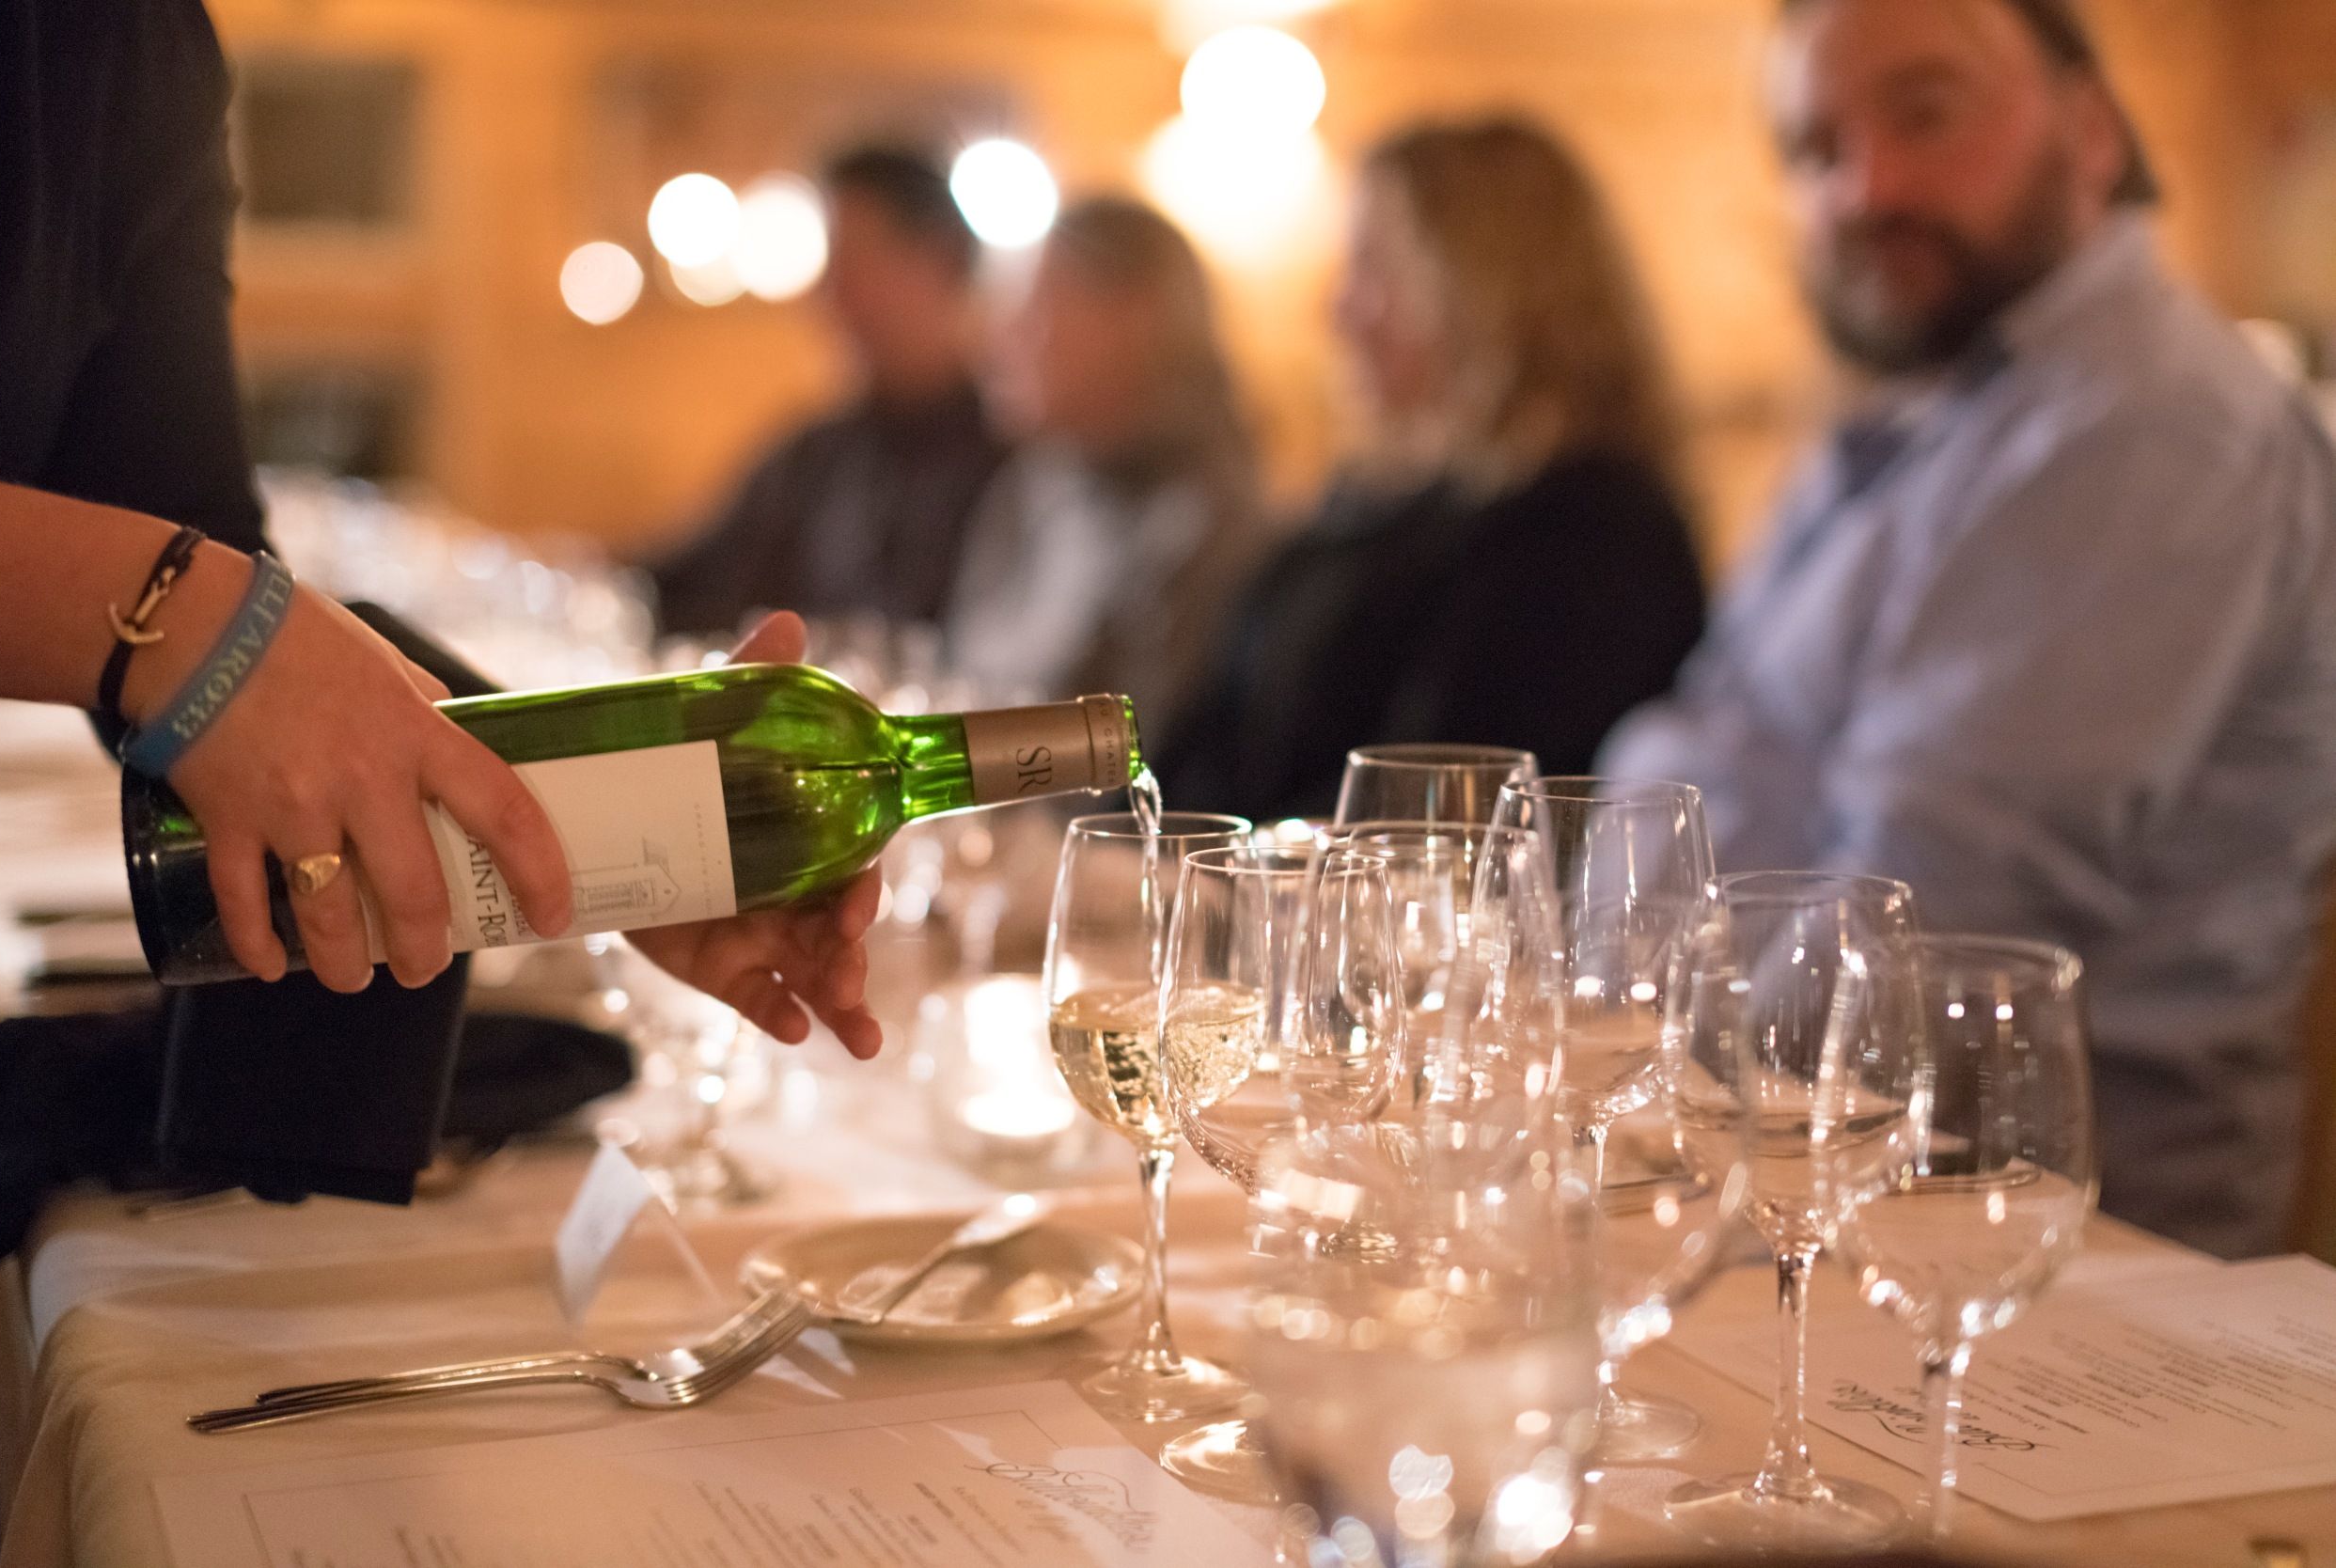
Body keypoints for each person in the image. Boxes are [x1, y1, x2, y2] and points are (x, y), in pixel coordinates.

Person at [0, 0, 878, 1058]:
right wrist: (191, 616)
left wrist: (591, 827)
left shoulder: (139, 45)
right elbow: (183, 609)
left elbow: (186, 545)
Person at [1601, 0, 2336, 1256]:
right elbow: (1705, 750)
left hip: (2030, 1251)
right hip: (1781, 1177)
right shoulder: (1926, 419)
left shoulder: (2143, 426)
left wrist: (1603, 1134)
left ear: (2092, 130)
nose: (1867, 184)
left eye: (1926, 112)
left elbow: (1915, 920)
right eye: (1817, 149)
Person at [1159, 117, 1706, 822]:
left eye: (1375, 267)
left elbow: (1441, 810)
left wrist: (1209, 875)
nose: (1338, 309)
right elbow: (1211, 734)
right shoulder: (1367, 504)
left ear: (1490, 283)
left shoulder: (1596, 529)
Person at [651, 144, 1010, 638]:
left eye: (852, 260)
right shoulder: (816, 454)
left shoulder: (1019, 466)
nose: (828, 293)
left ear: (938, 261)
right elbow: (685, 584)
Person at [946, 196, 1264, 749]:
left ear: (1137, 320)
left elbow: (1145, 756)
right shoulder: (1029, 486)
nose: (1004, 334)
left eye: (1039, 302)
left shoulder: (1213, 518)